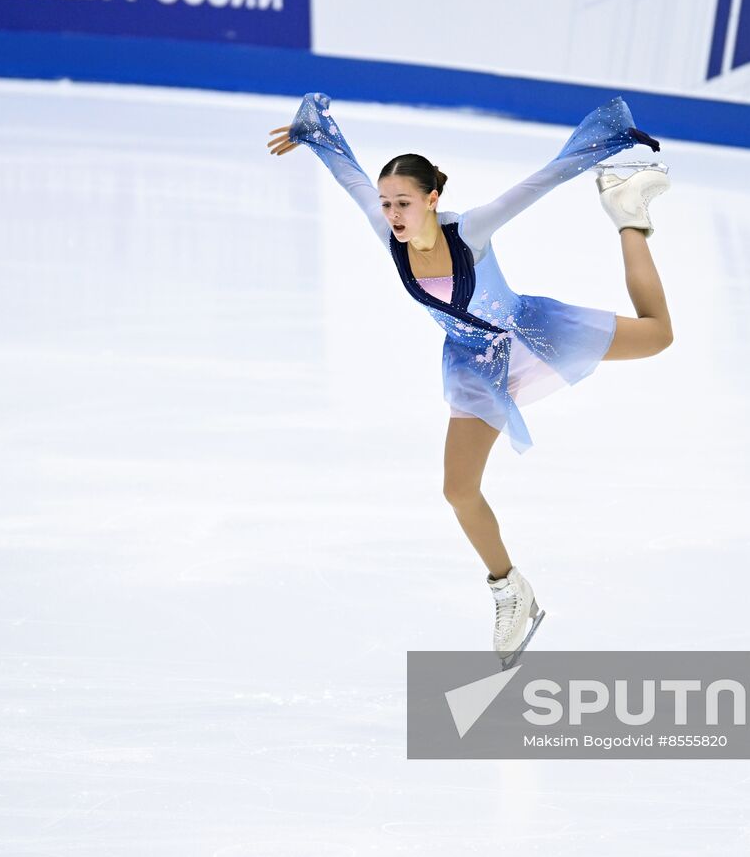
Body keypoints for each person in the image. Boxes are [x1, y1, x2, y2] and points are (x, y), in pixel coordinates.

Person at [266, 93, 673, 667]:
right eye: (387, 204)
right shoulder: (388, 233)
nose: (393, 214)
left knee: (658, 336)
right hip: (474, 363)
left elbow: (542, 181)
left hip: (531, 332)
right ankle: (511, 590)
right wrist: (315, 131)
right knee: (458, 489)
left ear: (433, 199)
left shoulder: (471, 231)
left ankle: (629, 212)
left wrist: (608, 139)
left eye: (404, 202)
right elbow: (349, 175)